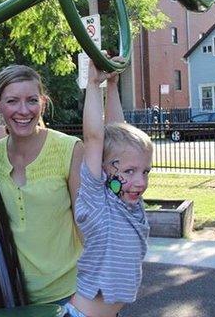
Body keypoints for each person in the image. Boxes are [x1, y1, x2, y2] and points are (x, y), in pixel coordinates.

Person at [0, 65, 83, 305]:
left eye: (31, 100)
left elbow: (86, 223)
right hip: (7, 292)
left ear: (43, 103)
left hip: (66, 293)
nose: (23, 110)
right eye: (12, 101)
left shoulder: (68, 148)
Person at [65, 57, 153, 317]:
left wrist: (113, 85)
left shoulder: (127, 202)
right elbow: (95, 138)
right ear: (104, 170)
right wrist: (94, 83)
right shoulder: (97, 203)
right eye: (129, 172)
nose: (141, 181)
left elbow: (118, 133)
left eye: (145, 171)